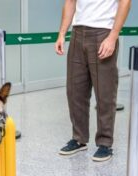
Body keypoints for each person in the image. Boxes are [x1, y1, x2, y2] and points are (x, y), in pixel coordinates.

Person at [55, 0, 131, 162]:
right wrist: (62, 34)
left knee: (105, 92)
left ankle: (105, 143)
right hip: (77, 32)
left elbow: (125, 2)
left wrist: (113, 36)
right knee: (75, 92)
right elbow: (70, 2)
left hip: (103, 32)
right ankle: (79, 138)